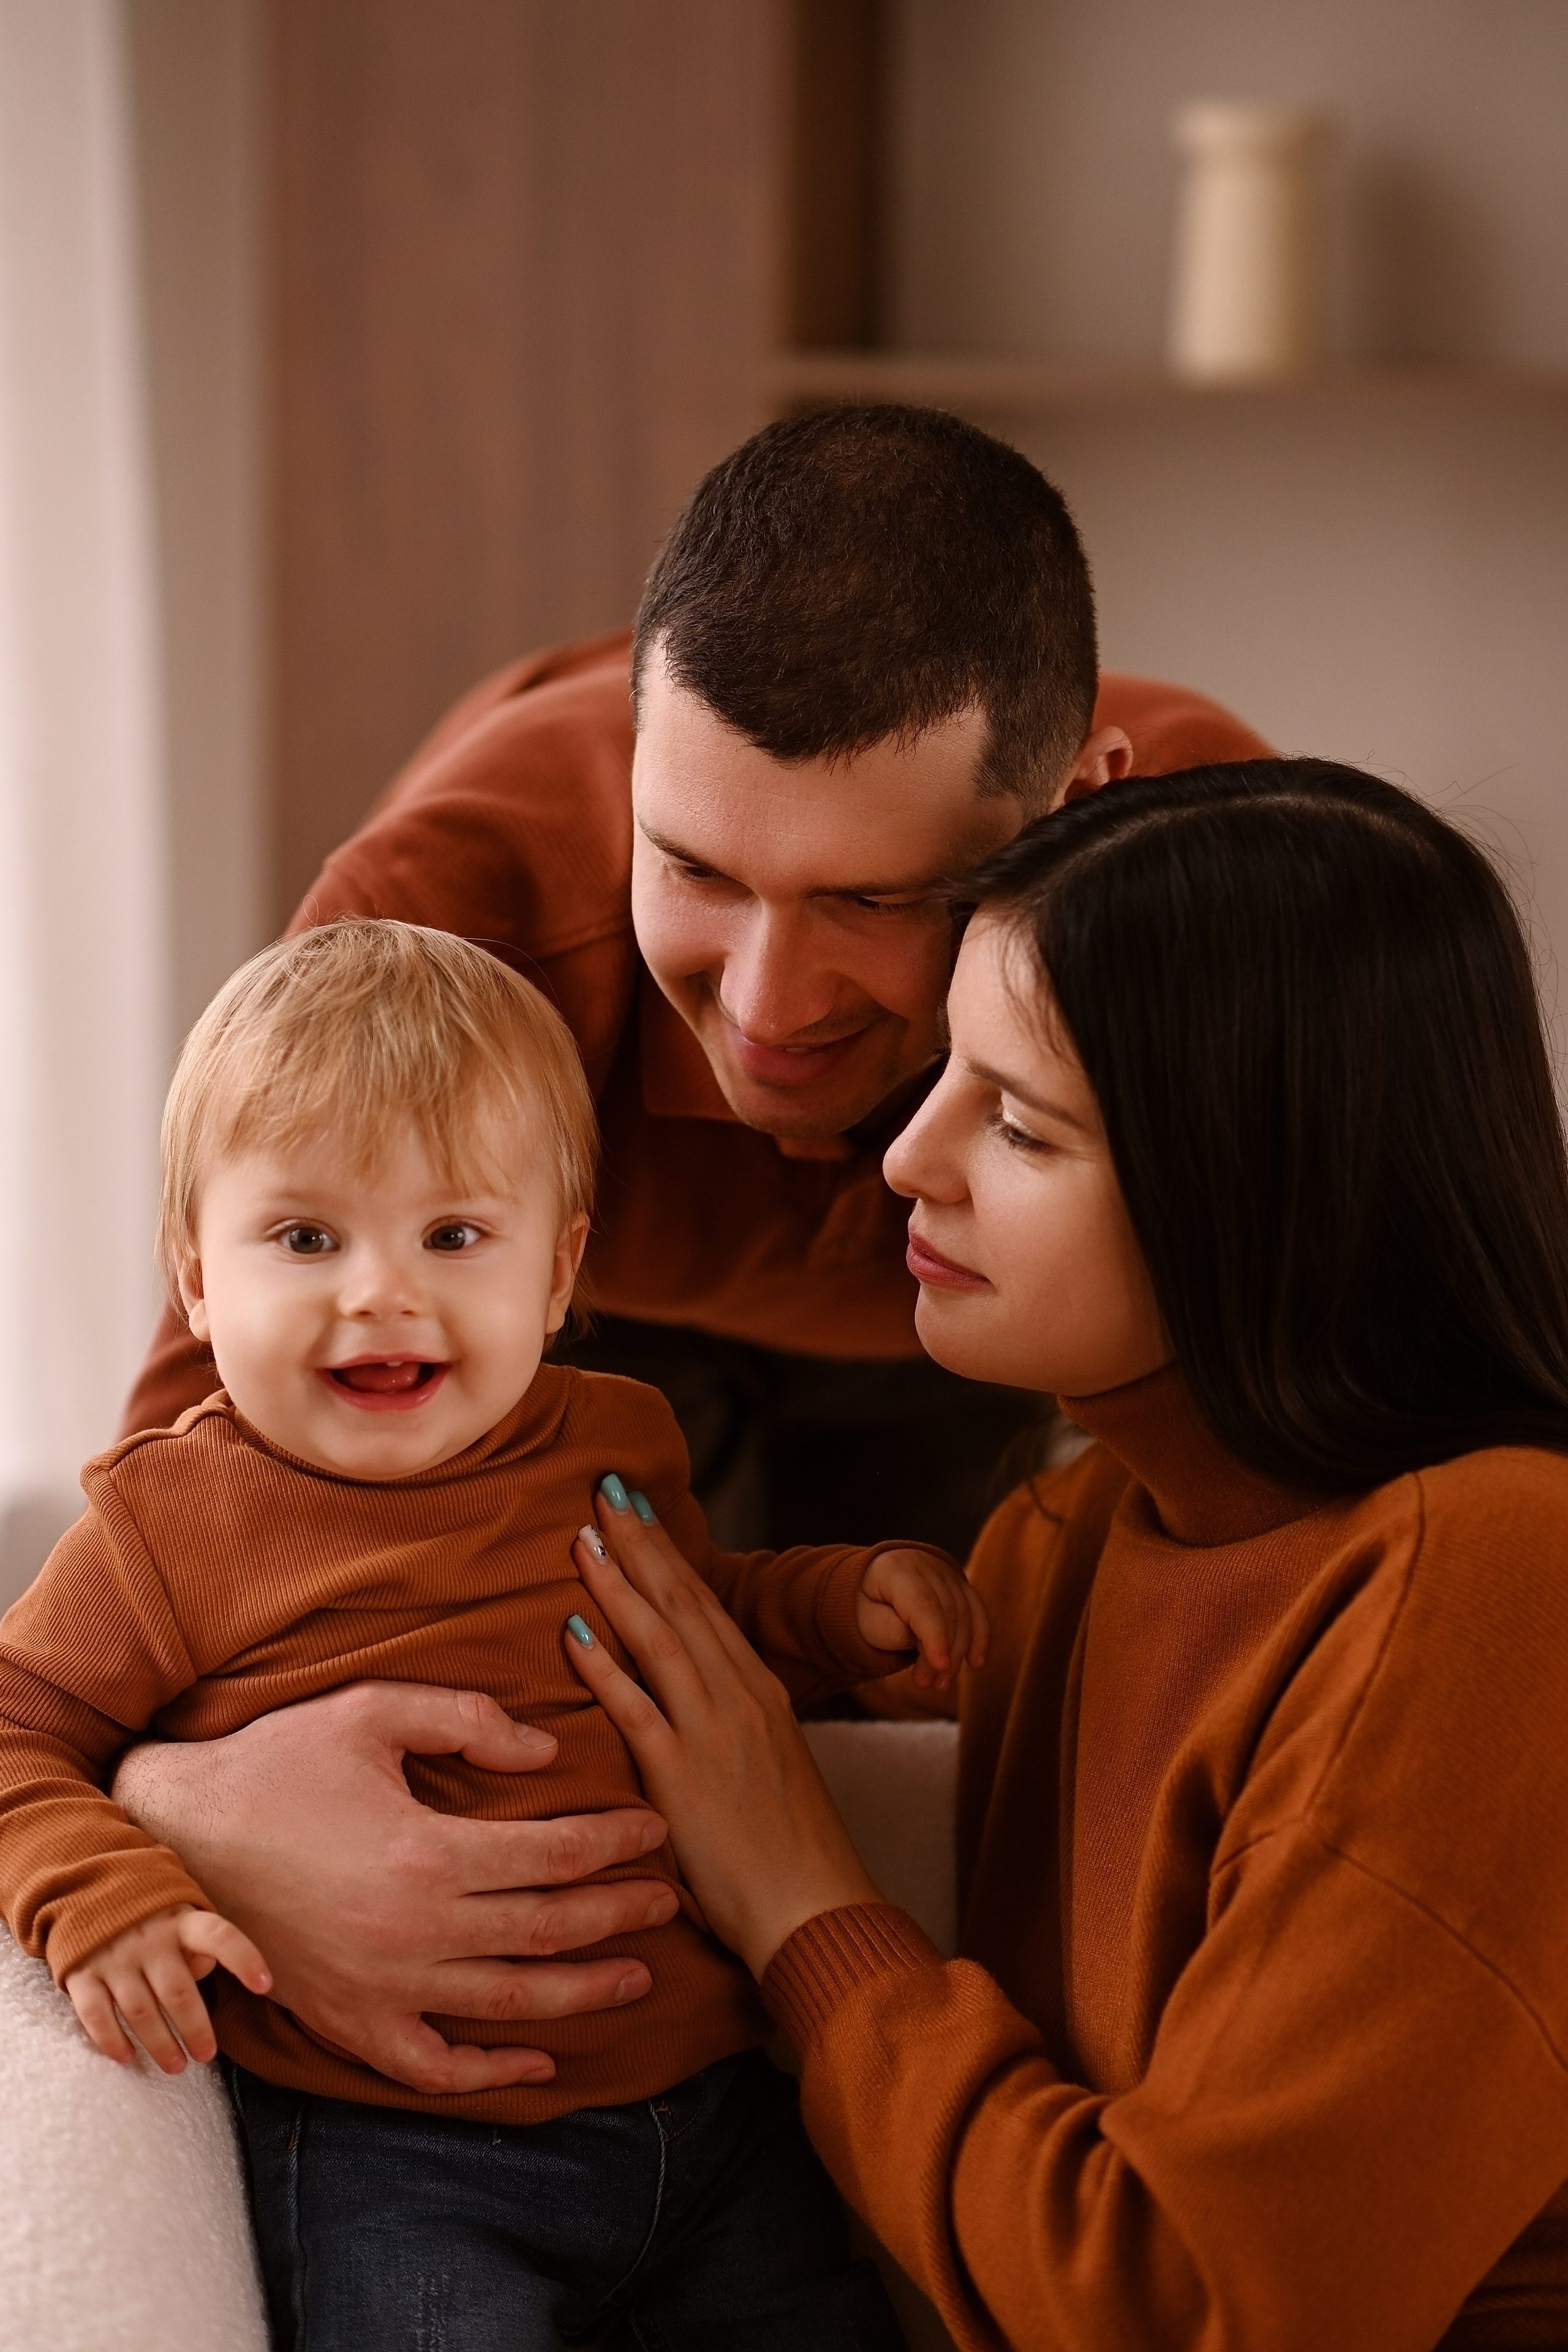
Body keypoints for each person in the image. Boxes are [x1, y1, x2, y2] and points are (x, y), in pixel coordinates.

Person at [108, 402, 1270, 2104]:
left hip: (966, 1345)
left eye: (875, 901)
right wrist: (179, 1802)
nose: (770, 1008)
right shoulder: (455, 913)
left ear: (1078, 813)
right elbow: (190, 1488)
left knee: (958, 1727)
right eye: (694, 870)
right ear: (630, 778)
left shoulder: (1219, 901)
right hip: (564, 1334)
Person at [560, 760, 1568, 2351]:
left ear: (1259, 1193)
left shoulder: (1506, 1572)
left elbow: (1182, 2305)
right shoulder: (1066, 1540)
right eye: (948, 1065)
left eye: (1021, 1124)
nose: (907, 1159)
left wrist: (806, 1907)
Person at [0, 919, 985, 2350]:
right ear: (197, 1280)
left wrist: (837, 1608)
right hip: (403, 2153)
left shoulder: (612, 1440)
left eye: (453, 1235)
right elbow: (16, 1730)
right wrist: (100, 1891)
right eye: (303, 1238)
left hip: (713, 2119)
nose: (378, 1291)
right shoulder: (172, 1521)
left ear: (556, 1269)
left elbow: (693, 1636)